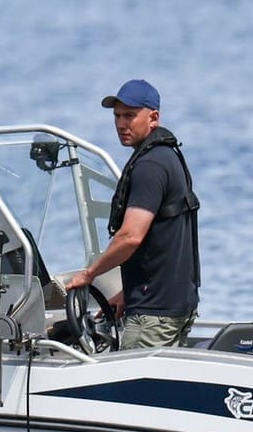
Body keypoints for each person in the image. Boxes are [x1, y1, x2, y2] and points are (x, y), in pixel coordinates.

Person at [59, 79, 200, 349]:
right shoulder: (169, 157)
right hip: (175, 304)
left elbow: (131, 237)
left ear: (153, 117)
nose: (121, 124)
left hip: (154, 315)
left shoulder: (149, 166)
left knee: (134, 390)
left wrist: (90, 274)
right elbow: (165, 240)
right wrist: (128, 292)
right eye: (117, 116)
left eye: (130, 115)